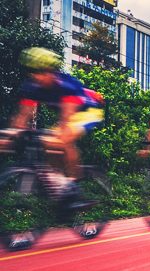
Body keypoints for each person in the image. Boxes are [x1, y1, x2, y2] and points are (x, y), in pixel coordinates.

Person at [3, 47, 104, 197]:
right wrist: (10, 136)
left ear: (52, 71)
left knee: (64, 139)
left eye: (43, 72)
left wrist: (61, 134)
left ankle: (74, 181)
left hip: (88, 111)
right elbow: (23, 117)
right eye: (34, 72)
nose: (38, 76)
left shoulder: (66, 86)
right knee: (47, 142)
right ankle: (59, 181)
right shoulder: (31, 88)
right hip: (69, 114)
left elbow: (67, 118)